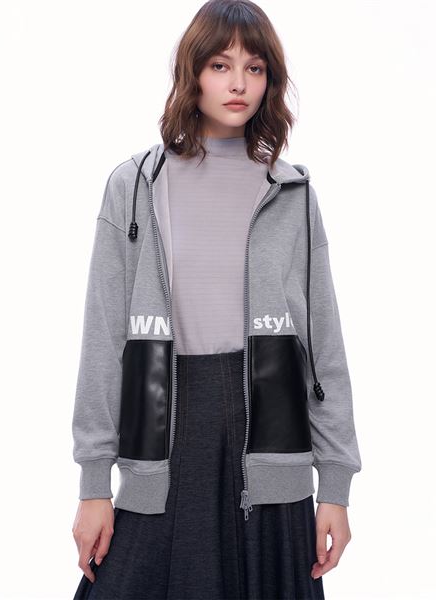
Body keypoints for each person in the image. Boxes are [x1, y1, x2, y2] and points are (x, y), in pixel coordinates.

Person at [71, 0, 362, 598]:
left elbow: (323, 345)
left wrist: (335, 486)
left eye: (254, 68)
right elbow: (105, 338)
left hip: (272, 441)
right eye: (220, 65)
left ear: (270, 81)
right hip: (166, 431)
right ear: (193, 73)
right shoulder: (135, 185)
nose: (238, 84)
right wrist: (94, 484)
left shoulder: (292, 192)